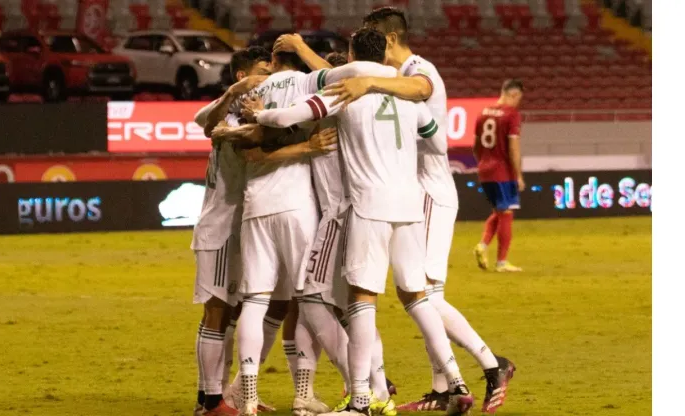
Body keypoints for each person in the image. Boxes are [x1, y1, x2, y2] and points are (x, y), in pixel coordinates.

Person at [280, 7, 516, 414]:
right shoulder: (386, 77)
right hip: (412, 190)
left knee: (420, 295)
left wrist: (368, 80)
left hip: (423, 189)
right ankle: (446, 387)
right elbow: (344, 81)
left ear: (387, 39)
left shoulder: (419, 69)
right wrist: (351, 75)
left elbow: (419, 90)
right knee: (418, 295)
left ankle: (491, 365)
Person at [212, 45, 401, 416]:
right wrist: (305, 145)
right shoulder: (310, 86)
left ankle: (245, 395)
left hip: (257, 207)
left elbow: (238, 141)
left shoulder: (254, 93)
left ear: (274, 62)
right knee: (314, 300)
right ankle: (349, 388)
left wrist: (241, 109)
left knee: (257, 301)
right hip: (306, 208)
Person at [191, 46, 274, 416]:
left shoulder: (259, 113)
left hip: (245, 227)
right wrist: (231, 96)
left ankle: (216, 395)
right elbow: (203, 121)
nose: (269, 76)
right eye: (262, 71)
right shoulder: (226, 116)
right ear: (243, 76)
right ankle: (210, 402)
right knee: (217, 312)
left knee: (233, 314)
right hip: (221, 227)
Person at [472, 79, 526, 273]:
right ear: (514, 94)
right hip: (503, 172)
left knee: (498, 211)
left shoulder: (483, 112)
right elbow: (513, 147)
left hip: (485, 170)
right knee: (507, 214)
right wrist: (518, 174)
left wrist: (483, 162)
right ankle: (502, 262)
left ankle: (482, 245)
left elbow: (475, 145)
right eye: (519, 98)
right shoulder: (511, 115)